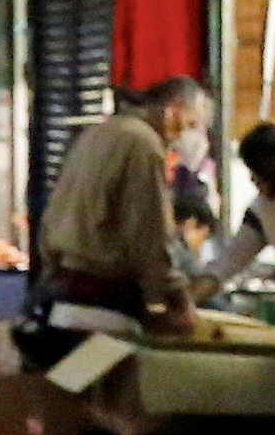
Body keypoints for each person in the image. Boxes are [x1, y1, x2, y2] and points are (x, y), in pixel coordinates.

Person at [40, 72, 211, 342]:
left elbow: (52, 217)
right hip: (106, 304)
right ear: (172, 112)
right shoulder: (143, 144)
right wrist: (178, 299)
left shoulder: (96, 134)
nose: (188, 136)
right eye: (190, 123)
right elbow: (149, 232)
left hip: (63, 295)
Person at [198, 123, 275, 318]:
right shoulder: (262, 211)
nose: (252, 180)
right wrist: (190, 294)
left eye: (255, 172)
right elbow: (228, 264)